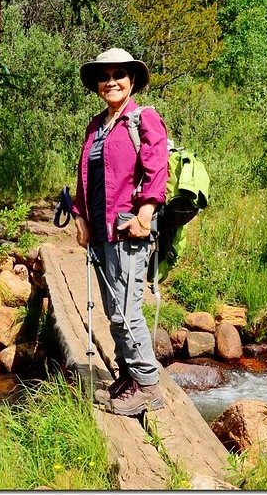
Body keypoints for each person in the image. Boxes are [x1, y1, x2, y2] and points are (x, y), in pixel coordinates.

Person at [71, 48, 169, 417]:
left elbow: (157, 168)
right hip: (100, 230)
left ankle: (148, 386)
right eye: (104, 76)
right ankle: (128, 375)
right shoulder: (96, 126)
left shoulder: (144, 118)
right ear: (97, 84)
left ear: (132, 80)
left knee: (127, 310)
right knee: (113, 308)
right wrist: (81, 220)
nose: (111, 81)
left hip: (129, 230)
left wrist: (144, 216)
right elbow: (86, 179)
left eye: (119, 74)